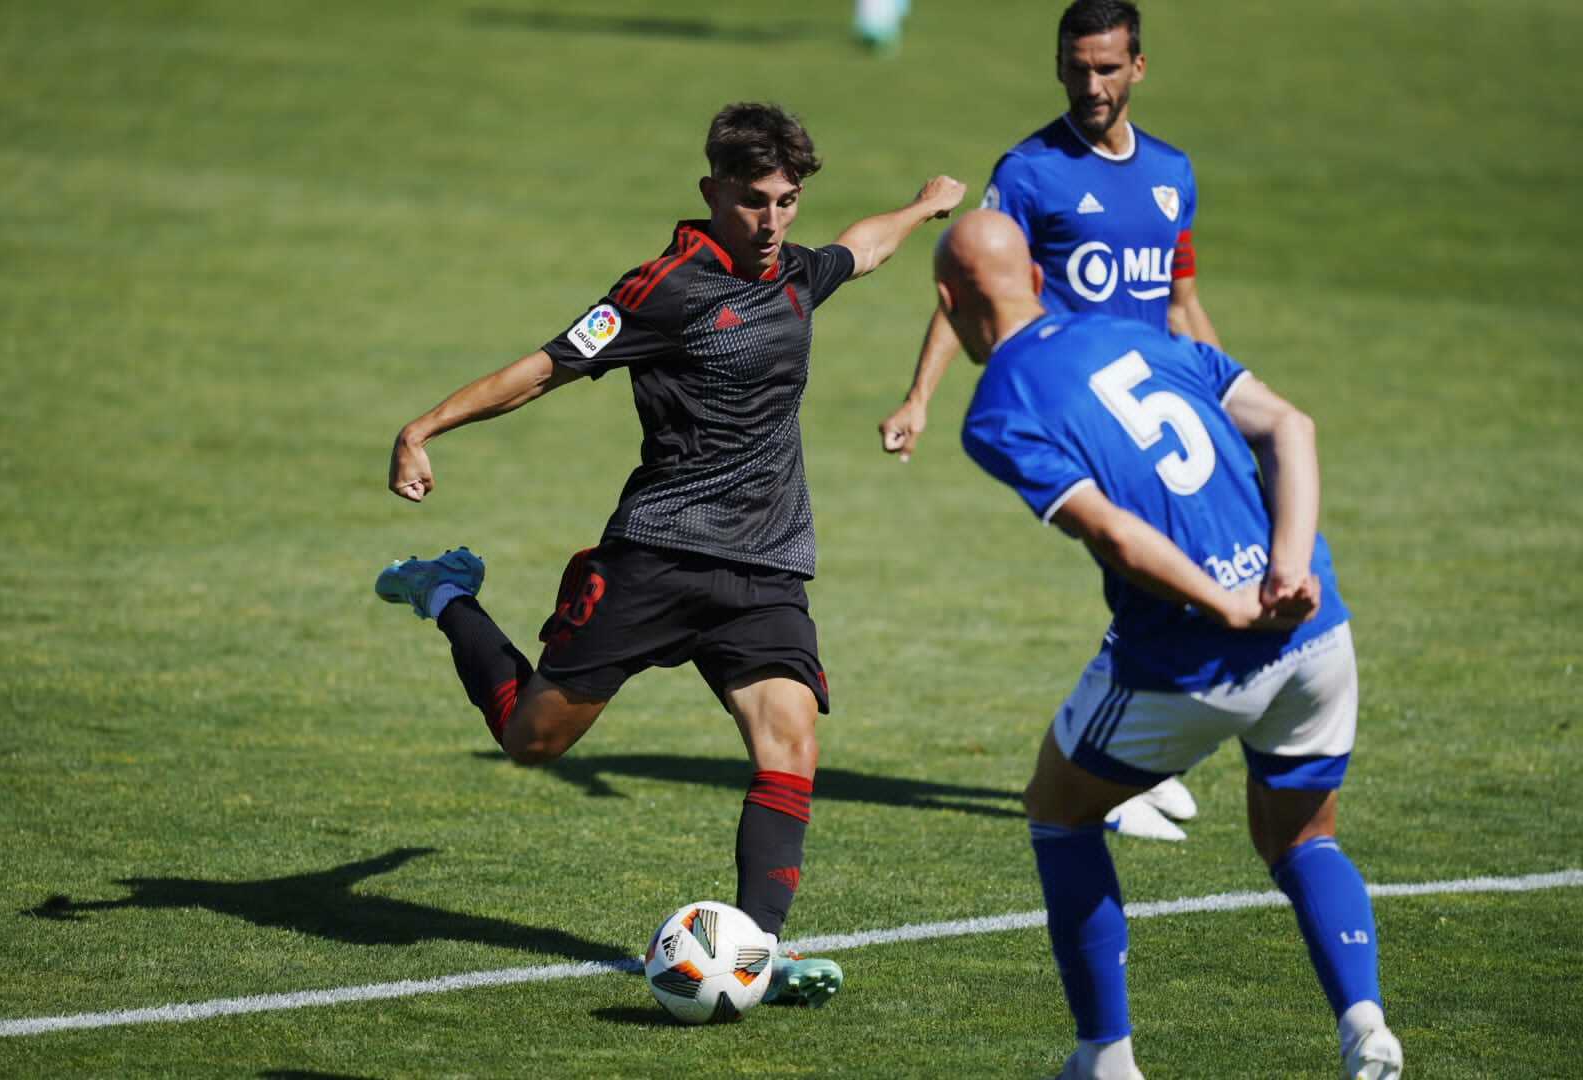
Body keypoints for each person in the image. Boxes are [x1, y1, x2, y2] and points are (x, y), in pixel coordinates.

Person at [375, 101, 965, 1009]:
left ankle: (758, 952)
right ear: (711, 192)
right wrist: (424, 428)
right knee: (533, 742)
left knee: (792, 740)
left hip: (765, 563)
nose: (772, 223)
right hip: (658, 554)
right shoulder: (661, 289)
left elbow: (868, 245)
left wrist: (926, 204)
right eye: (755, 201)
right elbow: (544, 368)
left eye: (788, 201)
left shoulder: (797, 273)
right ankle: (449, 593)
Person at [935, 211, 1402, 1079]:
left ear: (948, 300)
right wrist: (1285, 572)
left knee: (1058, 808)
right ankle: (1365, 1022)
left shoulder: (998, 409)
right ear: (1036, 281)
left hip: (1192, 658)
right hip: (1315, 626)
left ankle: (1105, 1059)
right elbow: (1291, 425)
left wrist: (1226, 606)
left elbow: (1111, 534)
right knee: (1303, 836)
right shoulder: (1132, 331)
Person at [880, 0, 1219, 841]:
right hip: (1079, 412)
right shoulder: (1030, 173)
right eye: (1077, 68)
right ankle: (1118, 771)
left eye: (1107, 68)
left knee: (1168, 584)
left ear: (1138, 67)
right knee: (1150, 582)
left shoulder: (1173, 173)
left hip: (1158, 409)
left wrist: (1220, 397)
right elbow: (969, 286)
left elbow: (1182, 303)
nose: (1091, 84)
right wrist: (920, 397)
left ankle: (1145, 758)